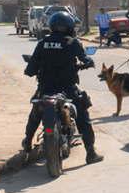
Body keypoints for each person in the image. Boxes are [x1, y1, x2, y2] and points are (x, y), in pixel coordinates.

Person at [23, 11, 103, 164]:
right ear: (69, 26)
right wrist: (87, 63)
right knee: (83, 116)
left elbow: (30, 70)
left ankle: (27, 142)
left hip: (46, 89)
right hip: (67, 89)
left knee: (35, 114)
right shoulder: (72, 43)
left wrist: (32, 69)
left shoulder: (42, 43)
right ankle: (91, 153)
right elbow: (85, 59)